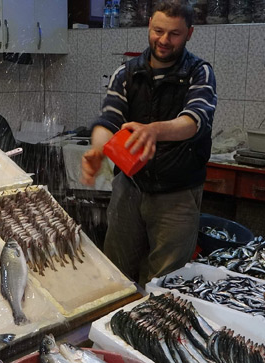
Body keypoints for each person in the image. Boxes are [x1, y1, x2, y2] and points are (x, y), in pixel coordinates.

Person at [81, 0, 217, 285]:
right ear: (149, 26)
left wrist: (155, 130)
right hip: (129, 188)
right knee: (116, 277)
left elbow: (195, 120)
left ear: (189, 33)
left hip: (177, 194)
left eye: (174, 34)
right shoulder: (126, 74)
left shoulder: (199, 72)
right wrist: (98, 149)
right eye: (158, 30)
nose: (164, 40)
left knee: (164, 284)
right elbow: (109, 121)